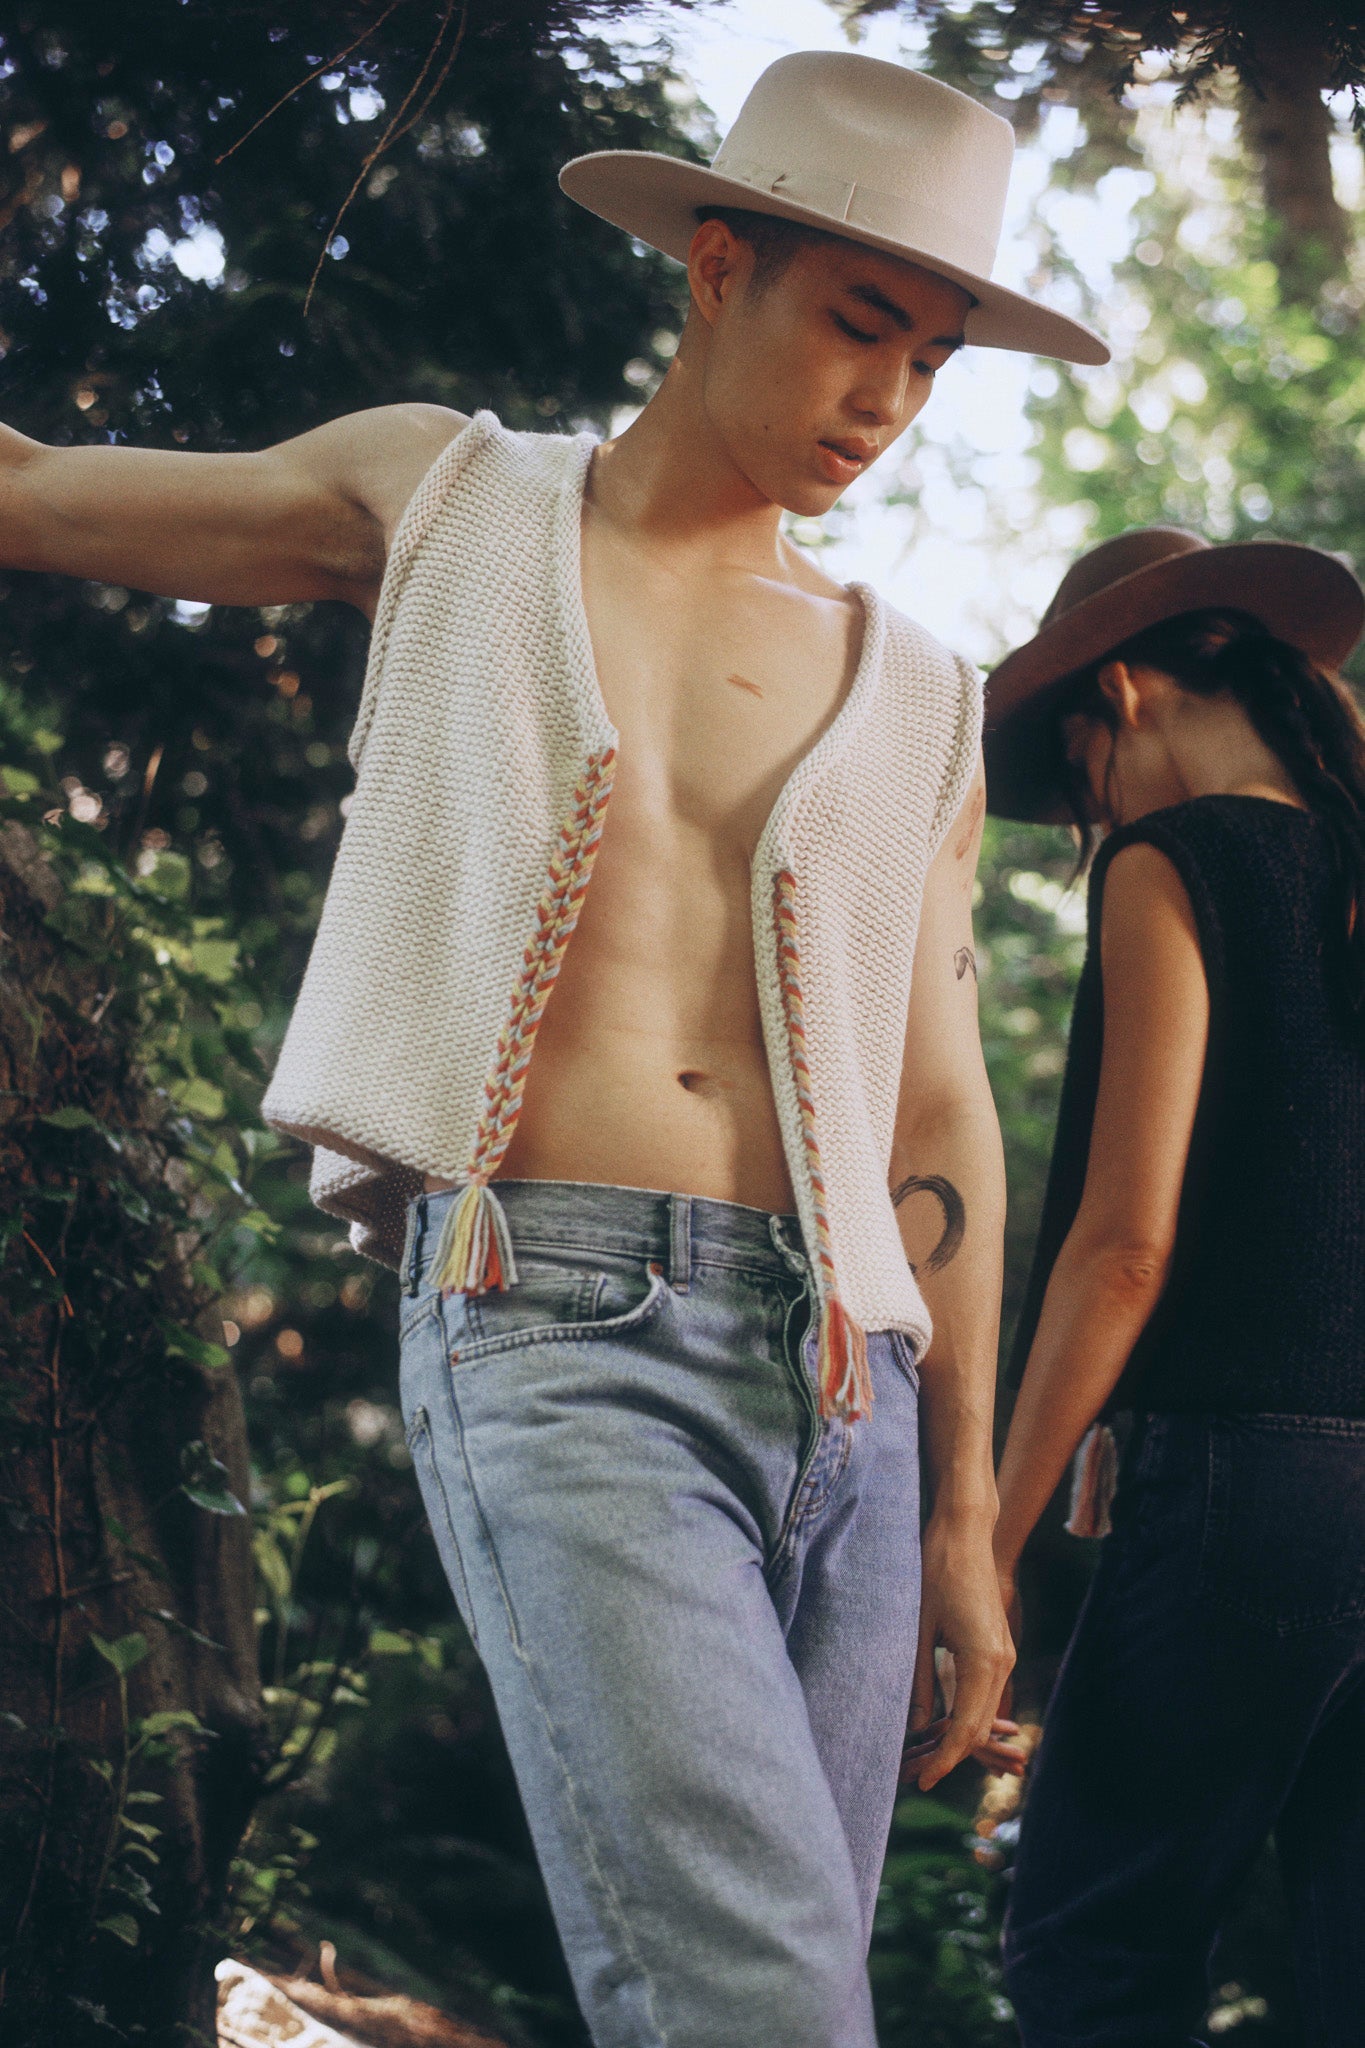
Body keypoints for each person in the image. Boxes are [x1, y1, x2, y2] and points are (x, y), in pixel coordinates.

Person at [0, 51, 1104, 2045]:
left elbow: (939, 1112)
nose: (888, 397)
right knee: (762, 2007)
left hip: (847, 1390)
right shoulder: (452, 499)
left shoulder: (923, 694)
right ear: (714, 265)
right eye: (860, 323)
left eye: (933, 358)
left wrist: (962, 1518)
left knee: (782, 1991)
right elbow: (29, 496)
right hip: (559, 1331)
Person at [982, 525, 1365, 2047]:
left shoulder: (1177, 862)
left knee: (1094, 1954)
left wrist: (984, 1533)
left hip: (1249, 1485)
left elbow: (1123, 1238)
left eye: (1078, 781)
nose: (1091, 824)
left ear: (1123, 691)